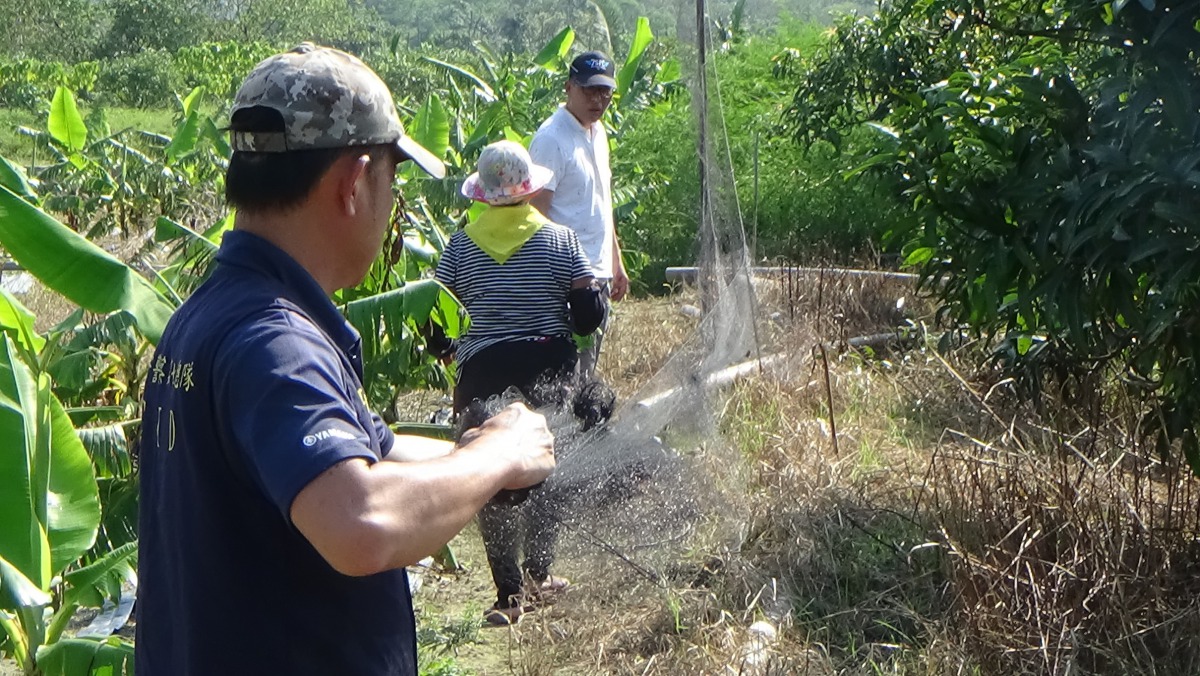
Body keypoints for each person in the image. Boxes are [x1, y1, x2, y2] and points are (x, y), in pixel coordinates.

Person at [135, 44, 556, 676]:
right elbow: (361, 520)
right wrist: (493, 458)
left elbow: (368, 452)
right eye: (393, 182)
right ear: (355, 183)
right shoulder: (275, 342)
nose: (390, 209)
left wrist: (488, 444)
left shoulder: (207, 317)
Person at [432, 140, 605, 625]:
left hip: (482, 374)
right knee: (546, 473)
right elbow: (588, 315)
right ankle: (539, 574)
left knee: (493, 481)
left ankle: (508, 595)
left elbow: (434, 315)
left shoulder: (461, 247)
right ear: (529, 191)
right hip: (547, 372)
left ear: (481, 196)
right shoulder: (560, 241)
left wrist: (449, 348)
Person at [529, 50, 629, 379]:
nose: (598, 100)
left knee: (587, 370)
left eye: (605, 92)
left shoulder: (598, 133)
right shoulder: (551, 140)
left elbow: (601, 202)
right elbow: (535, 216)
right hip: (566, 282)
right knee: (565, 375)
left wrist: (616, 261)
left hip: (598, 275)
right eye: (589, 91)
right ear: (568, 87)